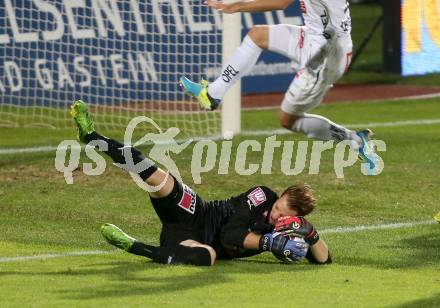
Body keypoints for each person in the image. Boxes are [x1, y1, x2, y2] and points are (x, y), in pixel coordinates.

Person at [70, 100, 332, 266]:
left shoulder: (290, 229)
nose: (276, 215)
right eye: (279, 208)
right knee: (156, 176)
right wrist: (269, 243)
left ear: (295, 217)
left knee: (207, 257)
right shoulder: (262, 195)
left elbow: (324, 259)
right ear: (281, 195)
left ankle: (133, 246)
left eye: (284, 215)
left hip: (191, 242)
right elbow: (231, 234)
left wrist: (309, 232)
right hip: (198, 214)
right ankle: (92, 136)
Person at [180, 0, 376, 168]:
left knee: (287, 120)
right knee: (257, 36)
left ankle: (353, 140)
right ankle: (213, 93)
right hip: (314, 38)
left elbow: (280, 2)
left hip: (325, 57)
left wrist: (237, 6)